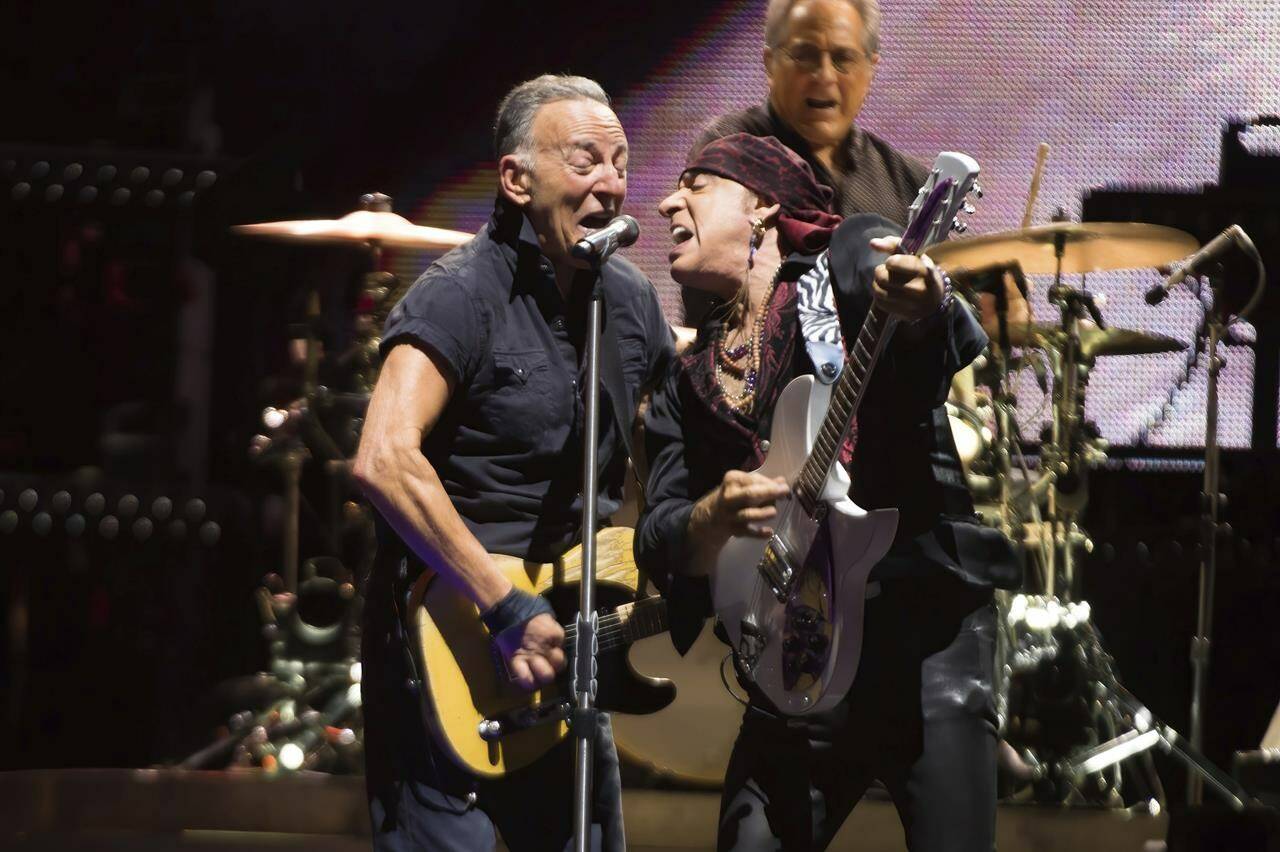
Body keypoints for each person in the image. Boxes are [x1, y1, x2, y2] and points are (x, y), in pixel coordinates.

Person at [635, 133, 1019, 851]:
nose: (664, 202)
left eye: (696, 184)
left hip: (921, 648)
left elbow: (934, 340)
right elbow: (659, 534)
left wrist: (926, 303)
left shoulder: (849, 257)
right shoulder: (685, 386)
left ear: (764, 207)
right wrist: (711, 515)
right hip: (796, 656)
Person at [353, 74, 673, 852]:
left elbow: (672, 459)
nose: (611, 183)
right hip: (453, 639)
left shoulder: (629, 304)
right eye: (586, 160)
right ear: (517, 178)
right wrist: (505, 606)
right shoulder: (459, 296)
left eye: (621, 163)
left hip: (569, 651)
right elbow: (383, 461)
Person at [694, 0, 926, 226]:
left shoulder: (910, 181)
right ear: (770, 64)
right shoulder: (726, 150)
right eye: (804, 56)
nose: (825, 76)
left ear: (870, 70)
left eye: (843, 59)